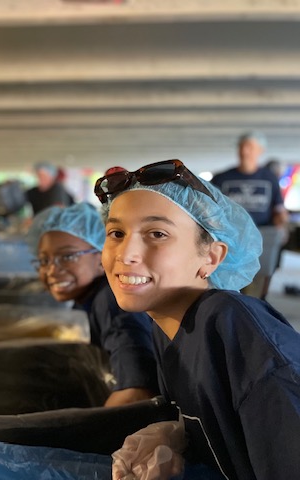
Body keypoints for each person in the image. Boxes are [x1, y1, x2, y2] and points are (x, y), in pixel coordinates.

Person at [94, 159, 300, 479]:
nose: (126, 253)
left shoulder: (231, 325)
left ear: (212, 257)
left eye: (157, 233)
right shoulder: (169, 327)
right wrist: (179, 436)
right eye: (116, 232)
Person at [25, 203, 158, 407]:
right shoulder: (87, 299)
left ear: (101, 257)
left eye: (67, 256)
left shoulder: (111, 301)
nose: (51, 270)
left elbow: (137, 392)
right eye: (44, 260)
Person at [211, 131, 289, 228]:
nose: (244, 151)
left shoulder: (270, 178)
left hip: (263, 234)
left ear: (260, 150)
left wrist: (281, 223)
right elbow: (209, 207)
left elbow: (279, 208)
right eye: (241, 147)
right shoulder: (221, 178)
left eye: (249, 147)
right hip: (230, 233)